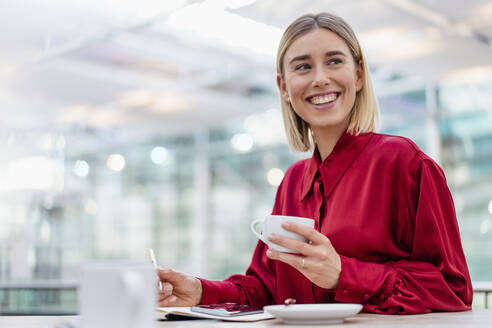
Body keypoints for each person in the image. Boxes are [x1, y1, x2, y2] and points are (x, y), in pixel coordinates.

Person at [156, 12, 473, 314]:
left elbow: (452, 289)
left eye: (334, 61)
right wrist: (199, 291)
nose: (321, 79)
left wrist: (343, 274)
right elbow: (265, 288)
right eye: (303, 67)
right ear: (283, 87)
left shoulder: (405, 164)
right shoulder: (292, 182)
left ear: (359, 75)